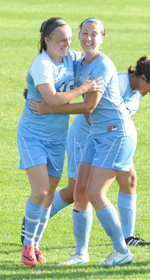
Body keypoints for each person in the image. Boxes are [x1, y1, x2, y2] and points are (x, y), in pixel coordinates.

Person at [17, 16, 103, 267]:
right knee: (41, 191)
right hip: (32, 135)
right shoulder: (41, 64)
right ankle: (27, 246)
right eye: (61, 40)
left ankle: (35, 245)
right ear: (47, 41)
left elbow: (93, 57)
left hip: (57, 139)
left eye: (69, 39)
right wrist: (83, 88)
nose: (67, 44)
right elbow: (53, 101)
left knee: (48, 196)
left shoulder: (71, 58)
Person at [55, 17, 138, 266]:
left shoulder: (103, 65)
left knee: (94, 192)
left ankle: (122, 251)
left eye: (95, 34)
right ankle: (81, 253)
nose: (89, 38)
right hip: (98, 134)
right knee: (80, 191)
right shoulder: (78, 61)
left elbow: (90, 104)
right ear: (79, 35)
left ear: (102, 38)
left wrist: (50, 108)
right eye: (85, 33)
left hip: (117, 134)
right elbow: (58, 80)